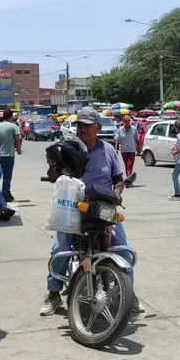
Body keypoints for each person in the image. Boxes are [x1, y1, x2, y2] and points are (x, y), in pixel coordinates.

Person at [40, 107, 143, 316]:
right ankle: (53, 294)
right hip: (73, 207)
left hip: (103, 207)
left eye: (87, 126)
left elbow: (118, 180)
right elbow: (53, 175)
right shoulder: (69, 147)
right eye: (80, 125)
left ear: (98, 127)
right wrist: (54, 166)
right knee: (60, 250)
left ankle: (129, 294)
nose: (83, 129)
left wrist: (117, 196)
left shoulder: (108, 150)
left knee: (122, 249)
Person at [0, 109, 22, 202]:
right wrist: (19, 150)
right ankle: (5, 194)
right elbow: (18, 139)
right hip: (8, 155)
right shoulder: (14, 127)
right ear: (10, 117)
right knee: (7, 176)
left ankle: (0, 193)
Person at [113, 115, 140, 186]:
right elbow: (116, 140)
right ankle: (129, 180)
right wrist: (116, 149)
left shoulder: (134, 129)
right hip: (124, 150)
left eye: (129, 121)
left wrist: (139, 149)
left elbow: (137, 139)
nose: (128, 122)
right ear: (124, 121)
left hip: (132, 150)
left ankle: (128, 179)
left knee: (130, 165)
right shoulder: (120, 130)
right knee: (126, 165)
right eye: (126, 121)